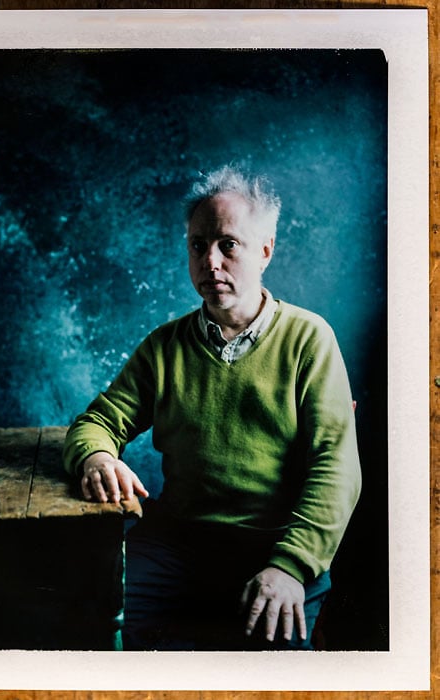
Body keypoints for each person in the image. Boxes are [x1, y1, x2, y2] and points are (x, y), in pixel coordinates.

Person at [62, 165, 362, 651]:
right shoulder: (164, 347)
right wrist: (96, 456)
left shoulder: (310, 339)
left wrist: (290, 566)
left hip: (277, 545)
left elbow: (338, 468)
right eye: (198, 245)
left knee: (276, 672)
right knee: (88, 614)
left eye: (228, 244)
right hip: (176, 543)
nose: (210, 262)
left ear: (265, 251)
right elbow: (96, 422)